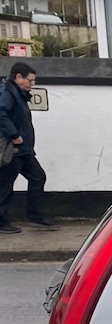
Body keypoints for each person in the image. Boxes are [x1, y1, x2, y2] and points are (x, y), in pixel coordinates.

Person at [0, 61, 56, 233]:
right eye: (30, 80)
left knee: (38, 177)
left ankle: (34, 216)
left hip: (24, 150)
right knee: (5, 184)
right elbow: (1, 114)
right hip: (14, 149)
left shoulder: (18, 94)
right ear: (18, 77)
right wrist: (14, 135)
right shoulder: (7, 93)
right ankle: (1, 222)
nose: (32, 84)